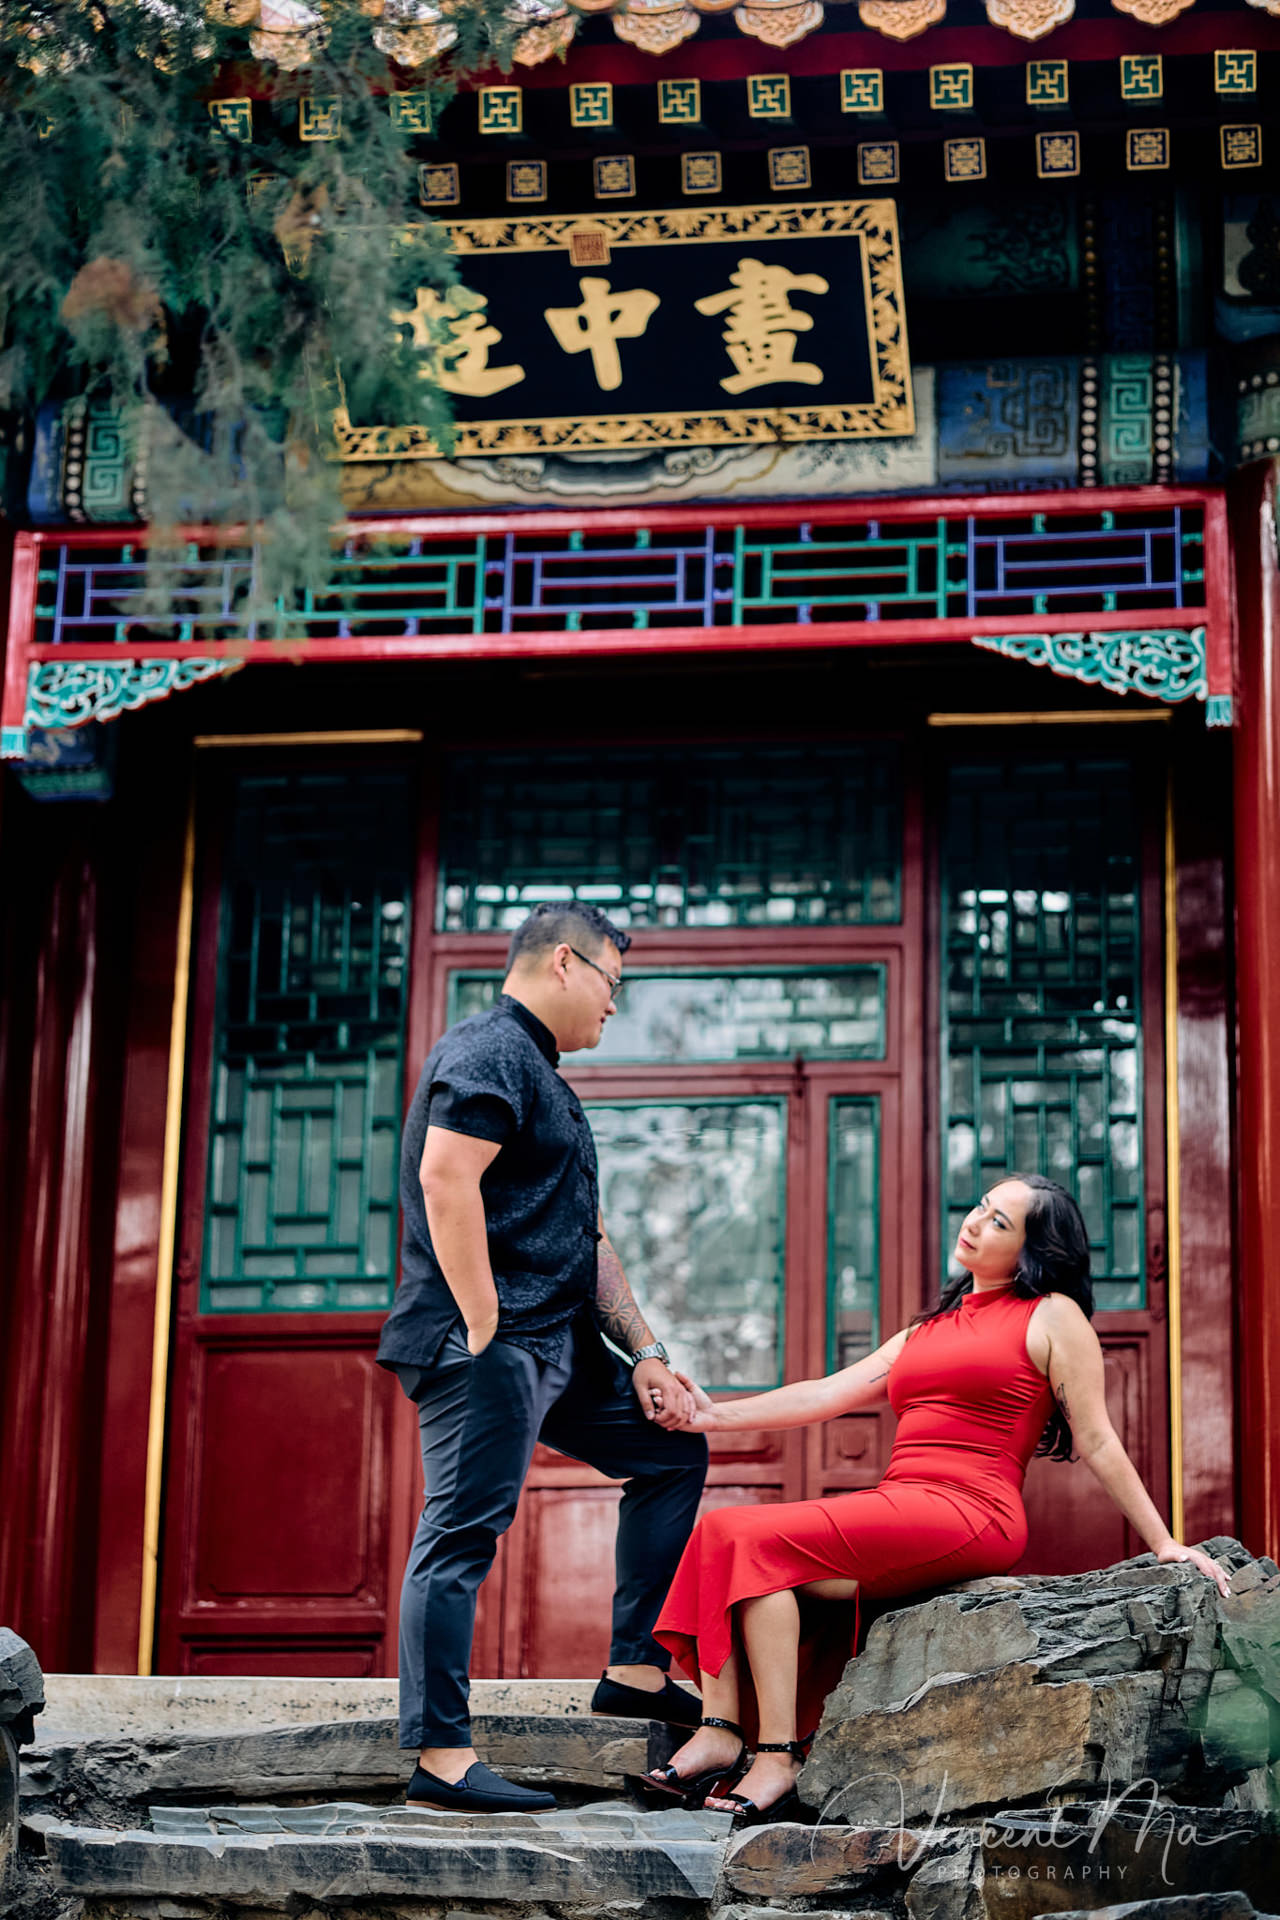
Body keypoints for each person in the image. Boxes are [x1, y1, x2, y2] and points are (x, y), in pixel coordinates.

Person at [638, 1174, 1231, 1829]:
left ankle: (775, 1757)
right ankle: (725, 1730)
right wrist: (711, 1417)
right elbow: (825, 1393)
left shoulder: (1052, 1315)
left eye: (1000, 1222)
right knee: (745, 1556)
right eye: (981, 1207)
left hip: (972, 1509)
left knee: (739, 1533)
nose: (975, 1222)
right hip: (903, 1500)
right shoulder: (930, 1328)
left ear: (1033, 1251)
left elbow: (1096, 1438)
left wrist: (1164, 1542)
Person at [377, 900, 708, 1815]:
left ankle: (634, 1671)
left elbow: (588, 1238)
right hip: (488, 1342)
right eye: (612, 982)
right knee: (460, 1532)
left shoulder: (544, 1077)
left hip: (557, 1340)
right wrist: (483, 1326)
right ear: (565, 962)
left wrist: (645, 1351)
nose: (615, 1005)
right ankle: (442, 1759)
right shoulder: (488, 1049)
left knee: (671, 1450)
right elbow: (445, 1177)